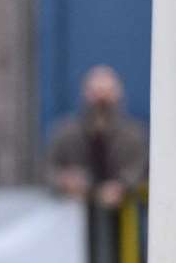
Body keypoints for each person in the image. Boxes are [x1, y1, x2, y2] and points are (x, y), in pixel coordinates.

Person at [45, 65, 147, 208]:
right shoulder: (64, 132)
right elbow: (47, 169)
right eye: (96, 92)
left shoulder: (135, 134)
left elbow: (141, 169)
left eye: (107, 92)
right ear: (85, 93)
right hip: (74, 213)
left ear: (119, 94)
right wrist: (65, 180)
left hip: (125, 215)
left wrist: (122, 186)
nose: (101, 99)